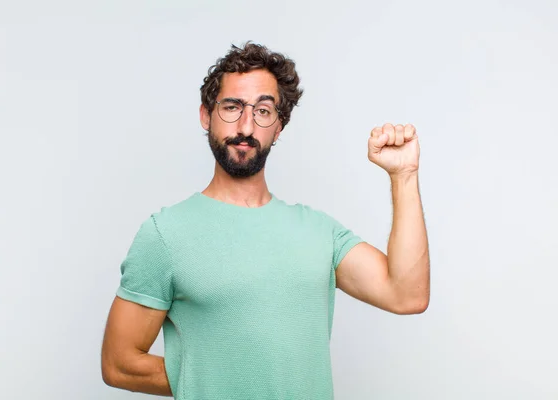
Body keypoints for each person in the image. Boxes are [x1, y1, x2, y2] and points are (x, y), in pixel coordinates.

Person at [100, 41, 430, 399]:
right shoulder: (165, 235)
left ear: (279, 127)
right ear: (205, 116)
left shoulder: (319, 233)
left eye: (263, 111)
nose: (246, 125)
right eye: (232, 107)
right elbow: (119, 363)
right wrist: (220, 377)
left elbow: (407, 294)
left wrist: (404, 175)